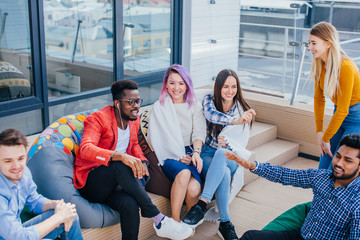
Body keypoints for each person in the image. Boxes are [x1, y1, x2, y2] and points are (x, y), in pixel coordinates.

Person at [73, 80, 193, 240]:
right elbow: (86, 148)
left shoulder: (133, 119)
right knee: (119, 165)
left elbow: (135, 145)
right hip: (93, 183)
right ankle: (158, 219)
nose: (136, 106)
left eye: (138, 101)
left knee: (130, 204)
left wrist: (142, 161)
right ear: (117, 104)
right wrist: (121, 156)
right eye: (131, 102)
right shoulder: (98, 119)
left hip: (116, 185)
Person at [226, 133, 360, 240]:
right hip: (301, 236)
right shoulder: (322, 177)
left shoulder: (357, 202)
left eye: (348, 160)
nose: (339, 163)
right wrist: (252, 166)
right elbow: (285, 175)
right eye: (338, 156)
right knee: (251, 237)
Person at [182, 69, 256, 240]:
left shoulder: (241, 108)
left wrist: (230, 142)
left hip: (231, 156)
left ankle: (201, 204)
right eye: (225, 86)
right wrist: (234, 122)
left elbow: (240, 142)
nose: (230, 91)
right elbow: (211, 115)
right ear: (218, 87)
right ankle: (225, 223)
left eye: (234, 87)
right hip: (208, 154)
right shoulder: (209, 100)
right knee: (223, 172)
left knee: (223, 153)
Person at [147, 64, 206, 222]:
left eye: (181, 83)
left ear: (187, 85)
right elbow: (156, 139)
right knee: (184, 172)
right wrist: (178, 155)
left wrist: (195, 153)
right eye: (172, 82)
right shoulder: (159, 107)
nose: (176, 87)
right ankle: (175, 221)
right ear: (166, 84)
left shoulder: (195, 105)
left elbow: (199, 133)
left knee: (194, 189)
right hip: (169, 155)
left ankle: (187, 223)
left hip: (190, 152)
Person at [0, 129, 83, 240]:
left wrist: (56, 205)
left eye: (20, 158)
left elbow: (34, 201)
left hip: (17, 230)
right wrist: (58, 217)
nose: (16, 166)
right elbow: (17, 236)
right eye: (8, 161)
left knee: (70, 215)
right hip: (12, 235)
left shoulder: (24, 174)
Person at [308, 21, 360, 169]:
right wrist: (319, 132)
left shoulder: (346, 68)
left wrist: (326, 137)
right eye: (309, 43)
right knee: (323, 165)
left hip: (356, 119)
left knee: (337, 167)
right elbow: (319, 99)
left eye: (313, 43)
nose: (310, 47)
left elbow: (344, 110)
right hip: (339, 116)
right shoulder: (320, 64)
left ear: (328, 44)